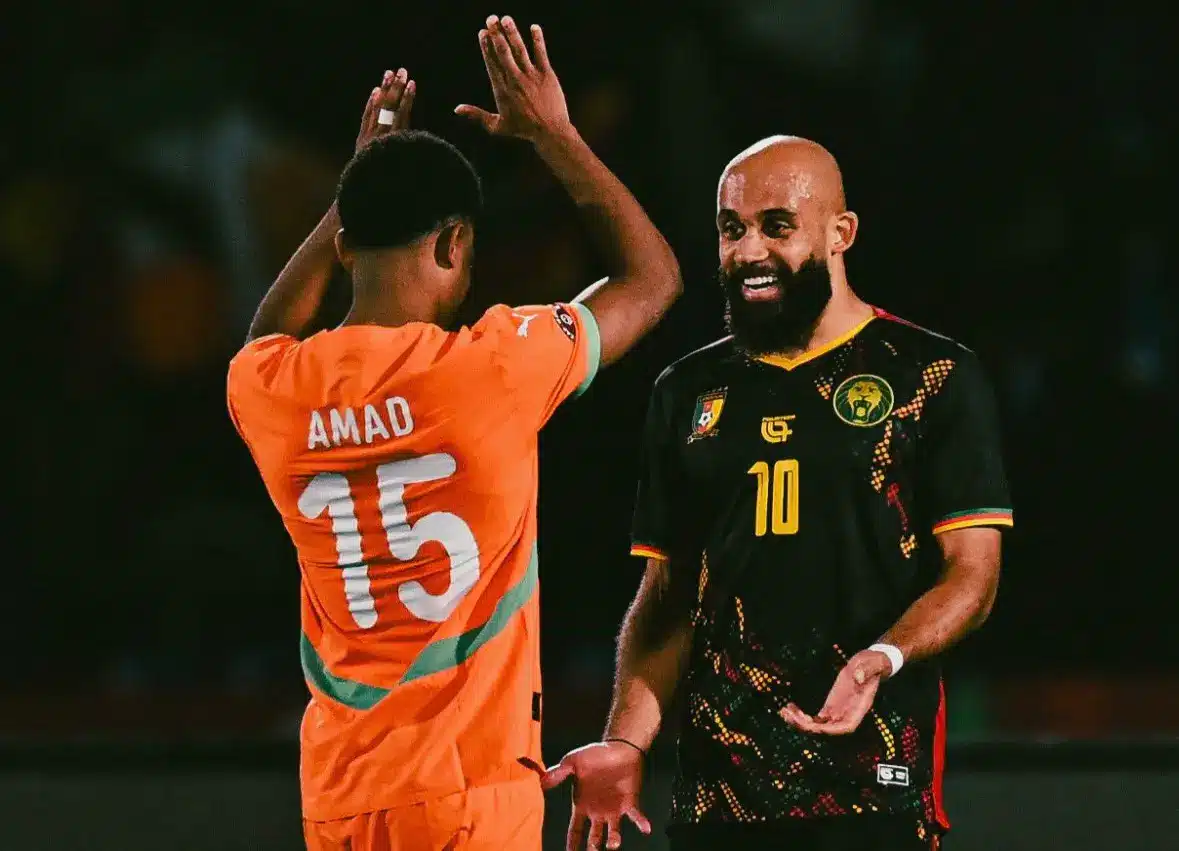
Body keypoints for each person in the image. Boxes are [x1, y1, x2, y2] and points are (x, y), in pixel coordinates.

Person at [226, 16, 681, 851]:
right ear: (453, 242)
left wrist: (354, 189)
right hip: (468, 796)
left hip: (339, 796)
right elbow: (650, 278)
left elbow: (266, 334)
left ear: (343, 244)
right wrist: (555, 136)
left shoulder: (270, 389)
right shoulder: (492, 366)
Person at [543, 136, 1014, 851]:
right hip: (719, 797)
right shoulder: (688, 391)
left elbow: (972, 577)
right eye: (731, 228)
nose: (748, 251)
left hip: (872, 784)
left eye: (776, 226)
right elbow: (668, 593)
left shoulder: (932, 374)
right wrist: (626, 742)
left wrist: (882, 657)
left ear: (840, 232)